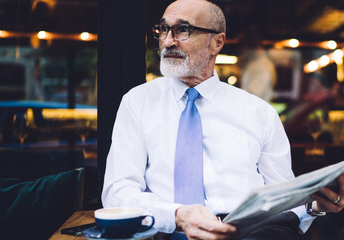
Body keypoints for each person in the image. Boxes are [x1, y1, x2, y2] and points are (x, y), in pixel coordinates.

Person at [102, 0, 344, 239]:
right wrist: (176, 214)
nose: (168, 41)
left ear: (217, 42)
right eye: (163, 29)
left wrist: (314, 207)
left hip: (250, 233)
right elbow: (117, 192)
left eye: (183, 29)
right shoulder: (138, 102)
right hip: (166, 231)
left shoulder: (260, 113)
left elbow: (281, 200)